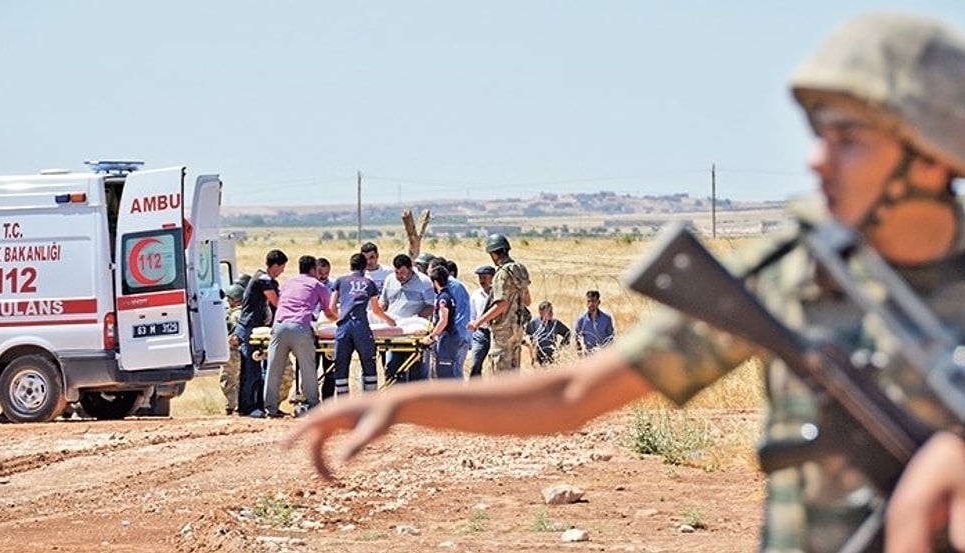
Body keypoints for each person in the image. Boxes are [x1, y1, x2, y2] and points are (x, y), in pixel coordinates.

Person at [283, 12, 965, 552]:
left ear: (931, 153)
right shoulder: (796, 275)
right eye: (818, 134)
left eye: (849, 138)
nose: (816, 160)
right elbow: (574, 392)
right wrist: (407, 402)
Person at [263, 256, 337, 418]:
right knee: (308, 369)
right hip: (300, 327)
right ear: (314, 269)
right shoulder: (317, 285)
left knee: (274, 369)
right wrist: (338, 319)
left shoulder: (288, 283)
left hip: (279, 326)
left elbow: (280, 303)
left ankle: (270, 409)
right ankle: (313, 406)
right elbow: (328, 312)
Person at [231, 249, 287, 417]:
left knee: (261, 368)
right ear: (275, 266)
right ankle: (248, 407)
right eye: (282, 267)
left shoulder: (266, 280)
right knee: (251, 368)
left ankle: (261, 405)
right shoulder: (263, 279)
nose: (282, 271)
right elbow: (276, 302)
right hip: (250, 328)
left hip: (258, 328)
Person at [465, 234, 531, 376]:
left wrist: (478, 322)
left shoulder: (501, 274)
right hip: (517, 329)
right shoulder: (519, 270)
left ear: (494, 254)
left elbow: (501, 304)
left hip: (503, 332)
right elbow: (527, 301)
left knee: (501, 378)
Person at [331, 253, 395, 395]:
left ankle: (342, 403)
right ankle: (369, 401)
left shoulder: (340, 281)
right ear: (365, 267)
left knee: (341, 364)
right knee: (368, 363)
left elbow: (332, 307)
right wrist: (389, 320)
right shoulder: (369, 283)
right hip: (361, 326)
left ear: (350, 266)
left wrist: (340, 318)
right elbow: (376, 309)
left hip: (344, 326)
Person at [379, 253, 435, 382]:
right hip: (394, 334)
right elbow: (384, 303)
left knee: (417, 374)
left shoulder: (424, 282)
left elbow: (431, 306)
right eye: (397, 272)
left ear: (411, 269)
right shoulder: (389, 279)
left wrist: (417, 318)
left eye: (403, 273)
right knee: (393, 370)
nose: (399, 276)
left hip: (415, 334)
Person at [422, 264, 466, 379]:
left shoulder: (443, 299)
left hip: (447, 339)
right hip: (449, 338)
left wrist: (431, 336)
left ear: (435, 282)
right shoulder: (448, 296)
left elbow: (443, 321)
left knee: (444, 373)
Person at [220, 283, 245, 415]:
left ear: (235, 299)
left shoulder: (236, 314)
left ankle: (233, 406)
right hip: (237, 351)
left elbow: (235, 334)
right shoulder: (241, 312)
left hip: (233, 352)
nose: (228, 301)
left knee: (229, 379)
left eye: (229, 298)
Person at [313, 257, 336, 401]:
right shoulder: (309, 286)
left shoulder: (334, 285)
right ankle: (311, 401)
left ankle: (328, 401)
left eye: (326, 273)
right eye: (320, 273)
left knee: (331, 369)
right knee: (311, 369)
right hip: (312, 330)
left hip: (329, 331)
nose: (323, 276)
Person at [467, 265, 496, 379]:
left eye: (485, 277)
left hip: (496, 333)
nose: (482, 281)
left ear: (493, 278)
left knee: (496, 365)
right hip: (481, 333)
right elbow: (472, 316)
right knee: (475, 363)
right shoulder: (476, 295)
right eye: (480, 278)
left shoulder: (499, 295)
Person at [524, 301, 571, 366]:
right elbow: (524, 336)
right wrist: (530, 348)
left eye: (552, 311)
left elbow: (568, 333)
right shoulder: (533, 324)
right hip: (537, 358)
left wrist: (560, 347)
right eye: (549, 311)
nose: (552, 313)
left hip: (552, 358)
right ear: (541, 313)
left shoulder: (555, 323)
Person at [573, 290, 614, 356]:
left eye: (593, 301)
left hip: (603, 355)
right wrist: (580, 355)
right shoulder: (581, 320)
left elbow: (611, 338)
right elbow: (576, 338)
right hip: (588, 356)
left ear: (598, 302)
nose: (591, 304)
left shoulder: (606, 319)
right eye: (588, 301)